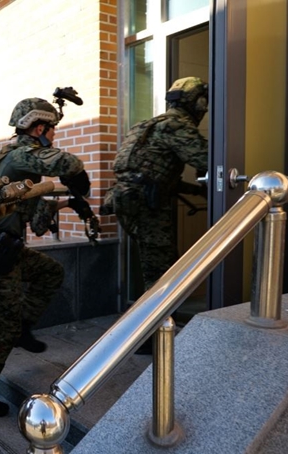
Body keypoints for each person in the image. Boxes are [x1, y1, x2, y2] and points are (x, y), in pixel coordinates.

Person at [0, 97, 90, 418]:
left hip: (9, 249)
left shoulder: (22, 168)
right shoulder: (18, 155)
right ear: (40, 128)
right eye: (52, 130)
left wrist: (69, 204)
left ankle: (22, 328)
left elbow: (40, 225)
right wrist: (78, 179)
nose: (54, 136)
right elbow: (68, 164)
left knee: (50, 273)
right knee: (2, 329)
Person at [110, 76, 209, 353]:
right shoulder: (177, 125)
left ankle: (150, 331)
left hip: (131, 201)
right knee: (160, 272)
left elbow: (158, 172)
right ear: (197, 102)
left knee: (156, 267)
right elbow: (207, 159)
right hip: (147, 206)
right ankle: (149, 338)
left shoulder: (148, 123)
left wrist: (193, 190)